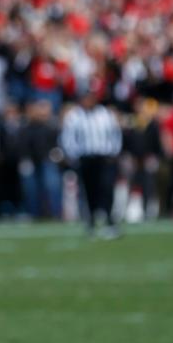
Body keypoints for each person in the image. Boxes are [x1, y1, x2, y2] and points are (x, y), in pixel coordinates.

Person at [60, 86, 122, 238]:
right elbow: (67, 138)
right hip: (86, 158)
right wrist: (74, 155)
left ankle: (109, 221)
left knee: (107, 189)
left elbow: (116, 134)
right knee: (89, 191)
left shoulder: (105, 114)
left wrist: (114, 151)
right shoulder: (74, 116)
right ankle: (91, 222)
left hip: (105, 157)